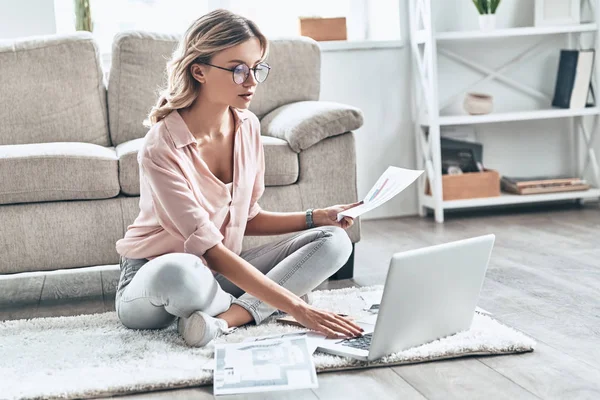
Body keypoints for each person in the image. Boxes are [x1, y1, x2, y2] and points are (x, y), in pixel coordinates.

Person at [114, 8, 364, 348]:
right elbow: (211, 251)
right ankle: (253, 309)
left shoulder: (248, 128)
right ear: (198, 71)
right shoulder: (161, 146)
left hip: (218, 276)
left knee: (334, 240)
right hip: (157, 280)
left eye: (256, 68)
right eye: (237, 70)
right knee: (183, 272)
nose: (251, 82)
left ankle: (222, 321)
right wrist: (299, 308)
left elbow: (247, 218)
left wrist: (313, 217)